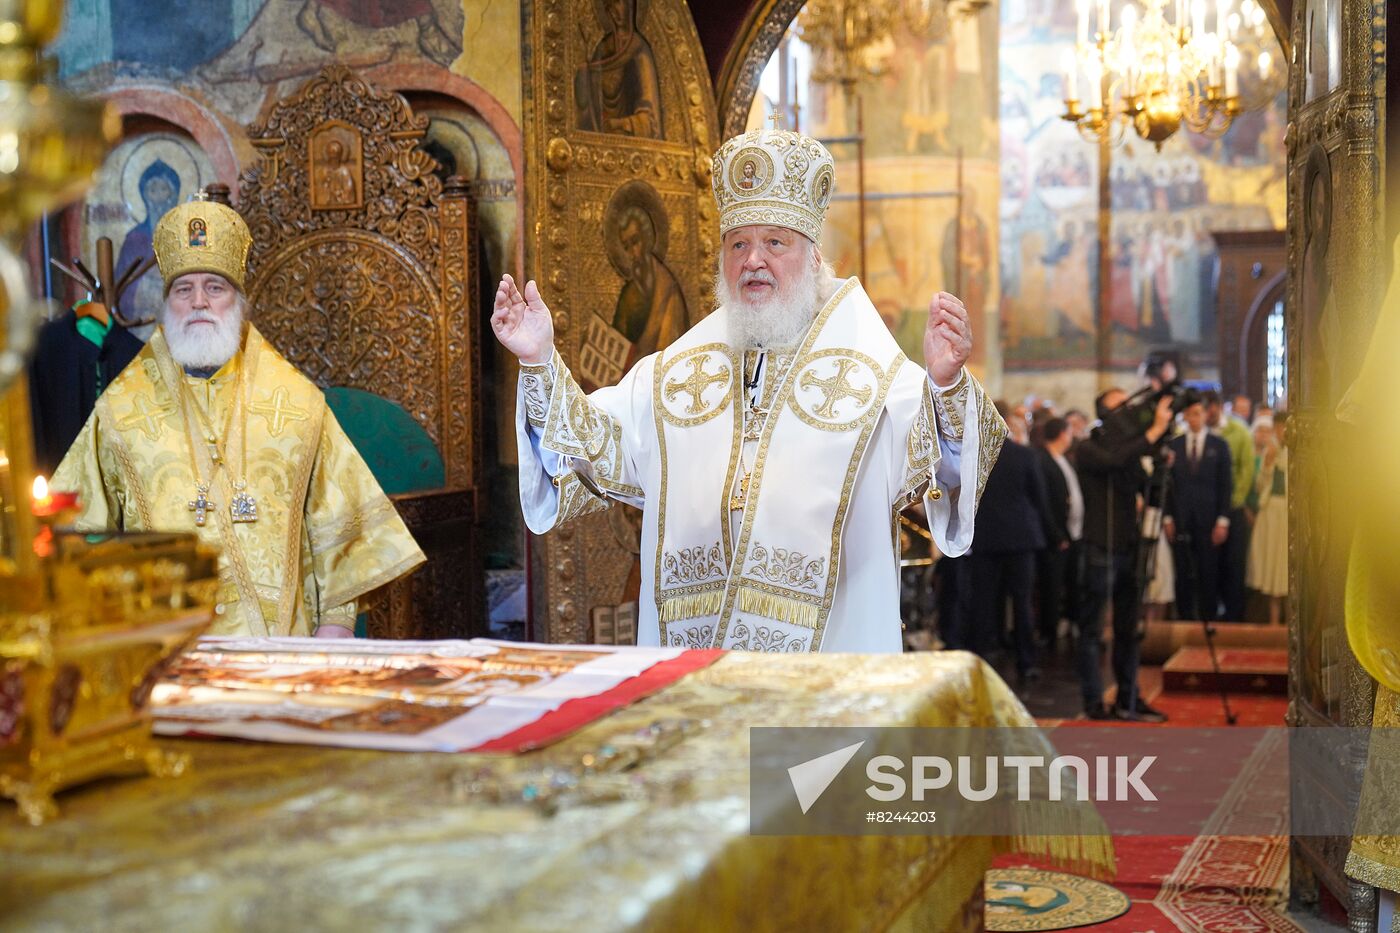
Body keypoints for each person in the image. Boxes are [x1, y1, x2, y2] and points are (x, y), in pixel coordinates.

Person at [496, 124, 1007, 652]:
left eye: (774, 242)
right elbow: (594, 446)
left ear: (813, 257)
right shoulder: (673, 371)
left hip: (825, 661)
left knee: (811, 739)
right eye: (738, 243)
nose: (752, 260)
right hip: (696, 656)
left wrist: (945, 384)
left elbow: (942, 464)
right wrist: (539, 362)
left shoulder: (871, 371)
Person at [53, 195, 425, 638]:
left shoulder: (298, 405)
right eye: (183, 288)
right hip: (159, 655)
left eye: (215, 286)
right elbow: (71, 534)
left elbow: (346, 538)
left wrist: (335, 631)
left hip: (285, 657)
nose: (199, 302)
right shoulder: (119, 411)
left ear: (239, 300)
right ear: (166, 302)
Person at [1074, 388, 1174, 721]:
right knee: (1091, 631)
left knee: (1129, 629)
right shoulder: (1087, 448)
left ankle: (1128, 698)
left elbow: (1152, 491)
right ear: (1107, 415)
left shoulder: (1130, 454)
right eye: (1123, 407)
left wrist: (1161, 464)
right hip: (1099, 547)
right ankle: (1093, 701)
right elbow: (1113, 461)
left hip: (1129, 549)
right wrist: (1154, 432)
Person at [969, 402, 1057, 684]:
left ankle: (982, 659)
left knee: (984, 602)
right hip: (1021, 538)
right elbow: (1040, 501)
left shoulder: (974, 459)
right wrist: (1053, 535)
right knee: (1022, 602)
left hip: (985, 538)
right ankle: (1026, 661)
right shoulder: (1025, 455)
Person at [1165, 398, 1233, 621]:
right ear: (1184, 417)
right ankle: (1185, 617)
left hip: (1209, 517)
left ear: (1205, 415)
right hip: (1181, 517)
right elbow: (1168, 484)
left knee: (1208, 570)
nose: (1193, 418)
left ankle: (1209, 616)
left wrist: (1223, 520)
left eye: (1197, 413)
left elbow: (1225, 485)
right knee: (1182, 570)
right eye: (1189, 414)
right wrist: (1167, 517)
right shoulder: (1175, 445)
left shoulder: (1219, 445)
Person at [1205, 389, 1253, 619]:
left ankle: (1234, 616)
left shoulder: (1239, 431)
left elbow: (1246, 469)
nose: (1209, 411)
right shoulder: (1195, 431)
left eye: (1212, 405)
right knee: (1209, 567)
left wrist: (1235, 501)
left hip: (1232, 508)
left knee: (1233, 566)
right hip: (1207, 509)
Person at [1036, 416, 1083, 644]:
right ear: (1063, 434)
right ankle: (1049, 631)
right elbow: (1045, 502)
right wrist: (1057, 534)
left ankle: (1071, 621)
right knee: (1052, 585)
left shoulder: (1065, 459)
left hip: (1073, 532)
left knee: (1072, 580)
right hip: (1055, 535)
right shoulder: (1043, 461)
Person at [1246, 412, 1288, 624]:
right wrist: (1268, 464)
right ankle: (1272, 622)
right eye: (1278, 427)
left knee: (1284, 566)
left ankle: (1288, 622)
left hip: (1287, 515)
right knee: (1270, 565)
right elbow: (1260, 486)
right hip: (1270, 512)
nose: (1281, 432)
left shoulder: (1297, 452)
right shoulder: (1268, 451)